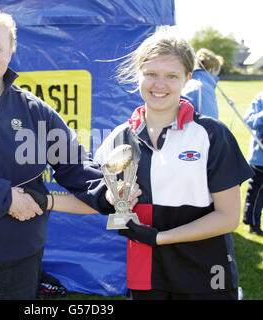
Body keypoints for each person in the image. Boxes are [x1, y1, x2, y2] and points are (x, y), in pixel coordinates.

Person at [0, 6, 140, 300]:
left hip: (22, 251)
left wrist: (108, 191)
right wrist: (5, 199)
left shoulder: (35, 110)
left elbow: (74, 165)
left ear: (10, 52)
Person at [94, 32, 253, 300]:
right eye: (151, 73)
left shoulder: (212, 134)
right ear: (138, 74)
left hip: (205, 269)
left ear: (187, 79)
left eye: (172, 76)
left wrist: (159, 238)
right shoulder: (121, 137)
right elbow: (101, 191)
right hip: (146, 270)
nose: (160, 84)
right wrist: (111, 195)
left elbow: (228, 217)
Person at [181, 48, 224, 119]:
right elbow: (210, 122)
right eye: (217, 73)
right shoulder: (202, 88)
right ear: (212, 69)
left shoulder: (187, 82)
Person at [243, 92, 263, 236]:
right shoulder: (259, 99)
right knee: (257, 192)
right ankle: (253, 223)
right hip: (260, 157)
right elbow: (249, 121)